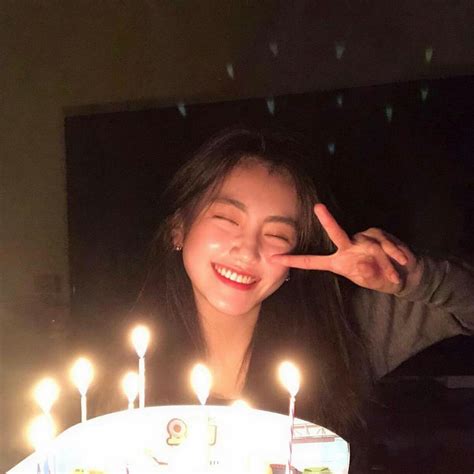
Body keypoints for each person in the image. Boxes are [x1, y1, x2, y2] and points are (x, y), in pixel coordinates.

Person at [134, 127, 474, 472]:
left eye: (277, 234)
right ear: (179, 227)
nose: (248, 250)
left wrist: (414, 279)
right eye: (226, 219)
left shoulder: (341, 334)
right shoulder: (127, 358)